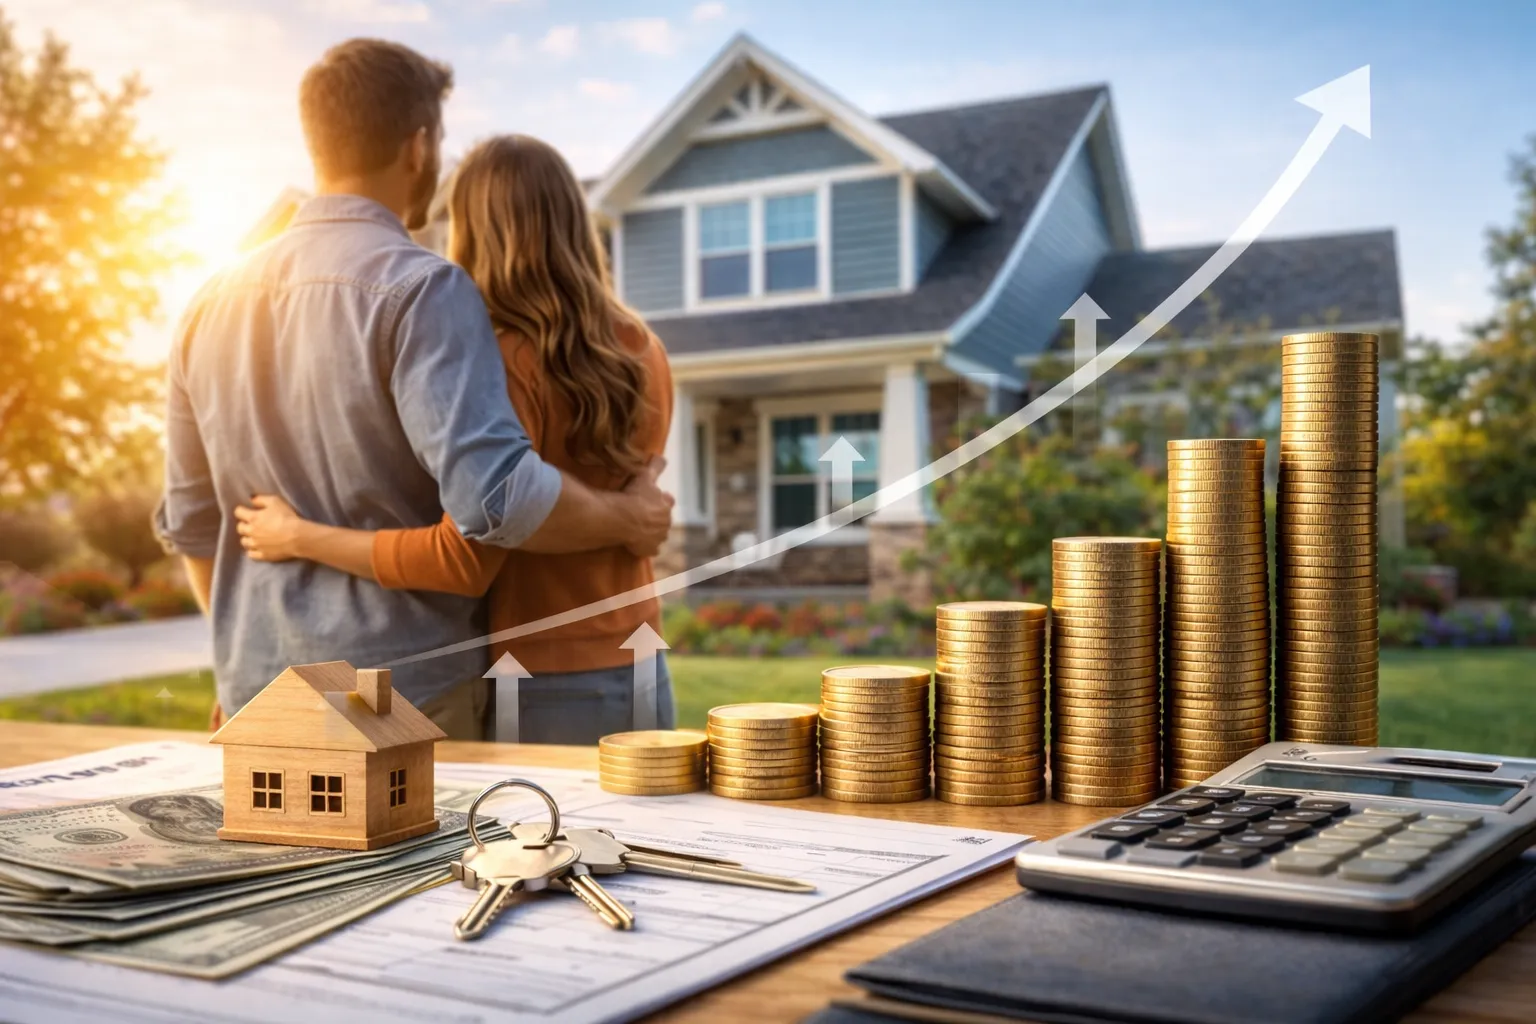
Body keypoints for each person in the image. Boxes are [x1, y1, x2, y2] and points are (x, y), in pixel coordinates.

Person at [154, 40, 673, 740]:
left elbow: (192, 523)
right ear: (420, 146)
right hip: (407, 693)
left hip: (256, 692)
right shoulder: (424, 289)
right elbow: (495, 503)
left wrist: (247, 664)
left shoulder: (202, 306)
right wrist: (626, 517)